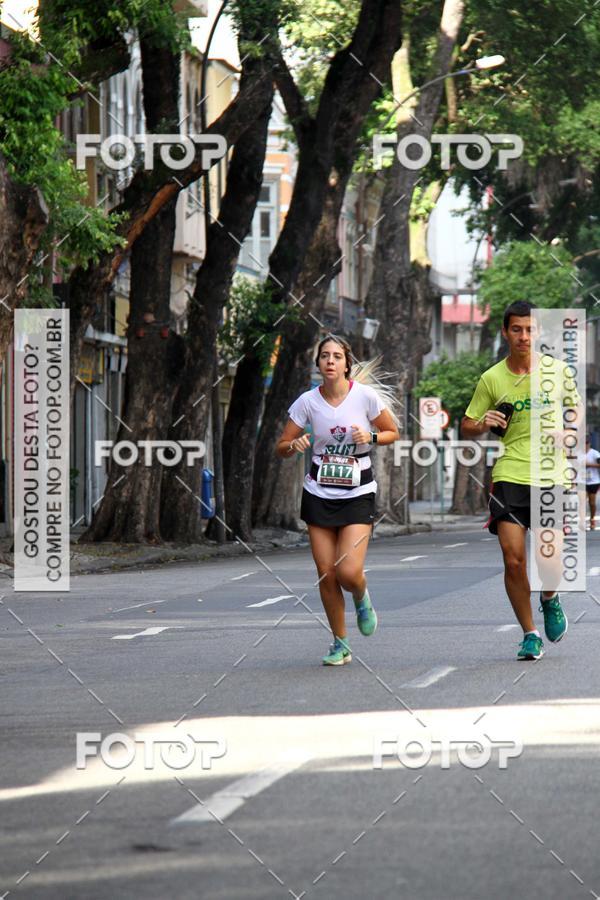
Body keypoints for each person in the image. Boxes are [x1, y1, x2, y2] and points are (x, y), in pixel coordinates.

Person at [276, 335, 400, 666]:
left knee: (348, 571)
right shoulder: (307, 402)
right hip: (318, 492)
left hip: (357, 492)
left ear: (347, 364)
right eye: (324, 356)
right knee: (326, 573)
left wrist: (370, 436)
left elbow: (391, 432)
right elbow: (282, 445)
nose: (330, 361)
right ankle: (340, 643)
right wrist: (295, 445)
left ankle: (361, 596)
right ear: (318, 364)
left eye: (336, 356)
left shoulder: (365, 397)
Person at [462, 300, 574, 661]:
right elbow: (468, 426)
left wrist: (568, 431)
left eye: (530, 329)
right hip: (510, 472)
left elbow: (576, 414)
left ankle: (549, 597)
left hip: (551, 474)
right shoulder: (492, 378)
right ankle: (529, 633)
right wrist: (484, 423)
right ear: (505, 332)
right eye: (516, 329)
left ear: (538, 331)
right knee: (513, 560)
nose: (524, 336)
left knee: (550, 562)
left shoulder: (559, 372)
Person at [584, 435, 600, 530]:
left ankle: (592, 519)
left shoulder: (595, 453)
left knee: (592, 503)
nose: (585, 445)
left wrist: (589, 465)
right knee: (582, 502)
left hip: (593, 481)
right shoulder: (578, 453)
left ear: (589, 443)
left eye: (586, 443)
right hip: (582, 481)